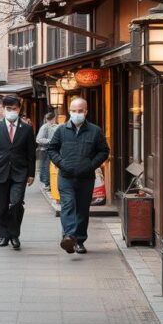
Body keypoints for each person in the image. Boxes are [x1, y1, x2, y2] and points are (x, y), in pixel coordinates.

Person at [47, 98, 108, 255]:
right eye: (74, 111)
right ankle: (69, 237)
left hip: (86, 177)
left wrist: (91, 165)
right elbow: (52, 149)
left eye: (80, 111)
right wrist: (61, 163)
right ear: (69, 111)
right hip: (66, 176)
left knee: (82, 209)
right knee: (68, 205)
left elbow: (104, 151)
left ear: (86, 111)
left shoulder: (95, 131)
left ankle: (79, 241)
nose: (77, 114)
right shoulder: (61, 130)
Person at [0, 96, 36, 250]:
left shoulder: (26, 129)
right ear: (4, 109)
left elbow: (31, 153)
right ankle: (4, 235)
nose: (12, 111)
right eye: (9, 109)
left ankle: (14, 234)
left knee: (16, 203)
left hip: (20, 171)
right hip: (0, 171)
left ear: (19, 109)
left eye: (15, 109)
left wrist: (31, 173)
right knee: (1, 206)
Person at [36, 112, 58, 190]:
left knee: (51, 166)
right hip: (45, 149)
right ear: (53, 118)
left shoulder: (56, 126)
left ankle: (50, 183)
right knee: (45, 166)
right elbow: (38, 139)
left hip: (53, 149)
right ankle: (47, 183)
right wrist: (51, 141)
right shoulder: (45, 127)